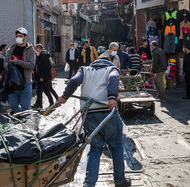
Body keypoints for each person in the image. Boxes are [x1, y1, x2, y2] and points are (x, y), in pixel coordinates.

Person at [58, 59, 131, 187]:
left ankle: (89, 183)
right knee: (116, 146)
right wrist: (112, 97)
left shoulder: (84, 70)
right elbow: (114, 78)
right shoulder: (111, 69)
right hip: (107, 114)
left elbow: (74, 81)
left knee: (95, 148)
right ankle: (120, 181)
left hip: (89, 114)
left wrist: (64, 97)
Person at [2, 27, 35, 113]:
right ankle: (20, 115)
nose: (18, 38)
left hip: (25, 83)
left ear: (25, 37)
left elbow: (32, 65)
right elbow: (5, 63)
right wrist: (9, 65)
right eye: (17, 36)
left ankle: (24, 122)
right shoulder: (12, 49)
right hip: (13, 84)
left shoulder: (30, 49)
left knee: (26, 108)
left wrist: (18, 62)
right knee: (13, 105)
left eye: (20, 36)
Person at [32, 44, 54, 110]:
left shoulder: (44, 56)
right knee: (46, 90)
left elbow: (45, 67)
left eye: (36, 49)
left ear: (39, 48)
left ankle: (40, 106)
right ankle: (51, 103)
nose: (36, 50)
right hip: (42, 77)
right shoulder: (40, 55)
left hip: (43, 77)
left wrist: (42, 77)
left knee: (39, 92)